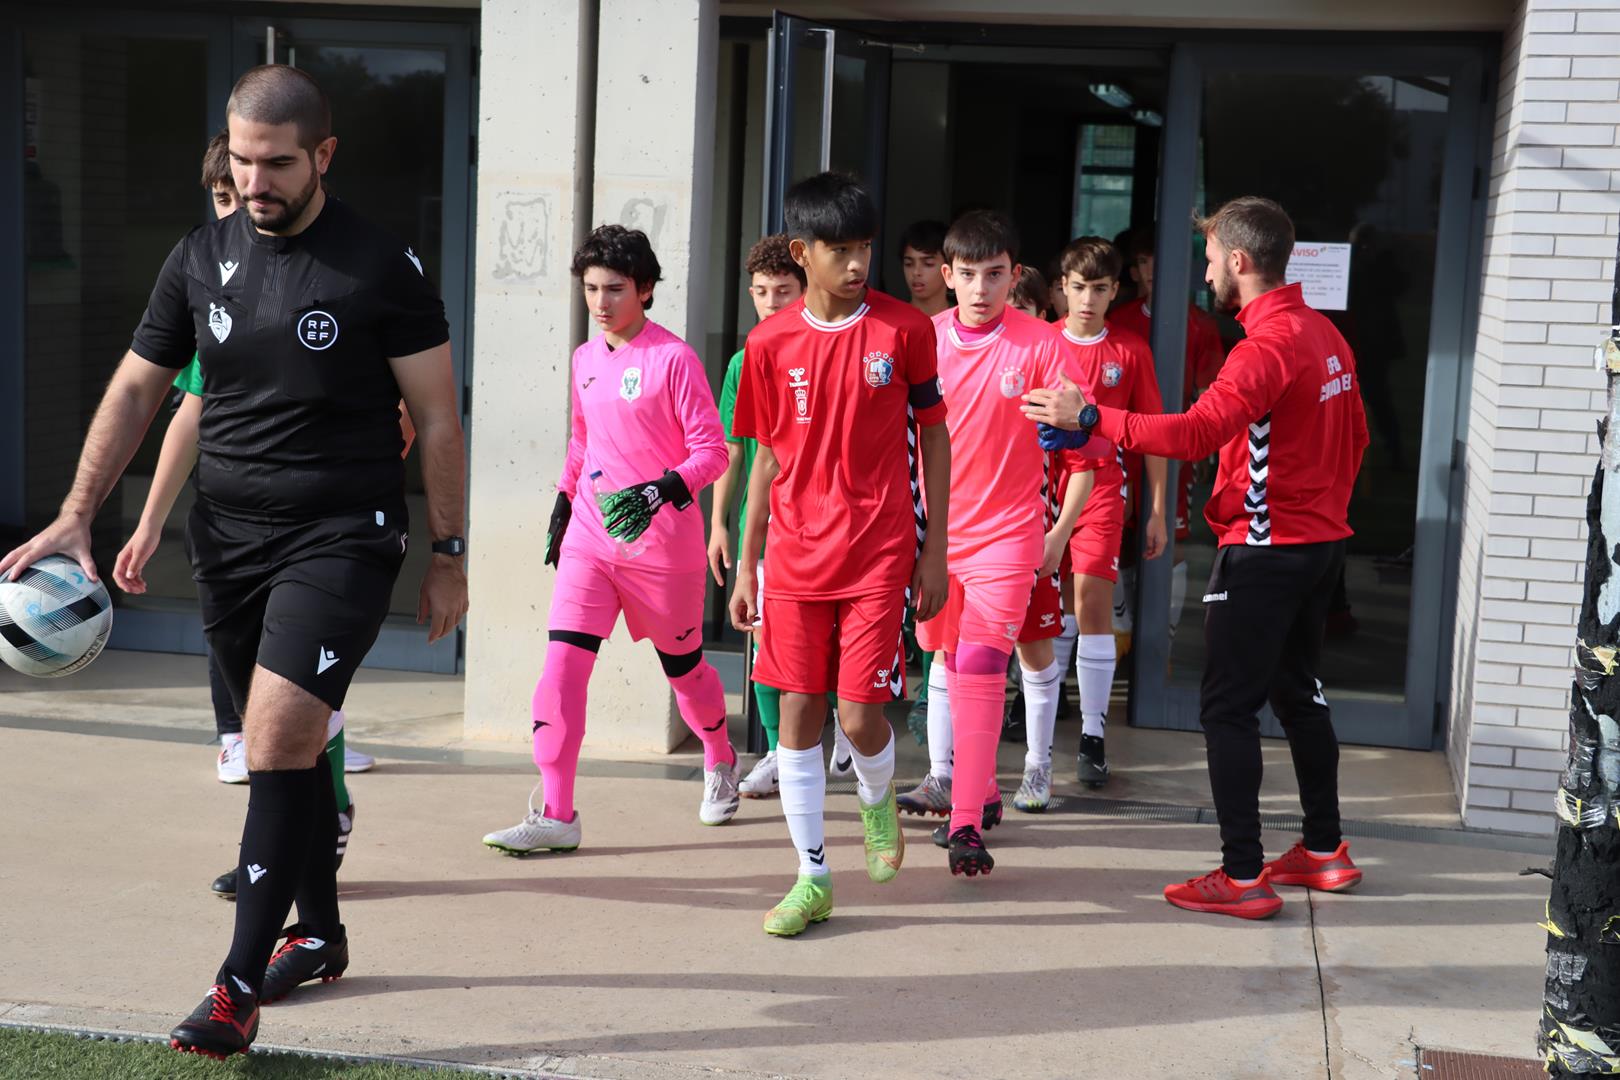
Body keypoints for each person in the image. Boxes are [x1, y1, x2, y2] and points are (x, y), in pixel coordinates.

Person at [2, 65, 469, 1056]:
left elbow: (437, 417)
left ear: (323, 156)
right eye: (243, 161)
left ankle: (235, 987)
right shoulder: (199, 256)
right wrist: (79, 515)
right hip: (226, 540)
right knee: (288, 748)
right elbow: (142, 390)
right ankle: (321, 933)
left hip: (341, 536)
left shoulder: (380, 266)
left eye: (278, 164)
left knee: (275, 740)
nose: (256, 182)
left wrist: (449, 552)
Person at [1023, 196, 1369, 920]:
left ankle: (1242, 875)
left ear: (1240, 261)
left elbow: (1193, 433)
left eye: (1210, 261)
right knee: (1298, 693)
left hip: (1266, 550)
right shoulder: (1324, 334)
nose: (1205, 274)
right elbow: (1357, 437)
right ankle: (1324, 850)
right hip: (1319, 546)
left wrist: (1088, 416)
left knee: (1226, 710)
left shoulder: (1265, 346)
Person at [111, 131, 380, 900]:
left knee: (291, 710)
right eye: (223, 198)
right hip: (235, 533)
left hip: (320, 534)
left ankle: (310, 847)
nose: (238, 212)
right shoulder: (214, 300)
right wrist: (149, 522)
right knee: (265, 724)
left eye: (246, 194)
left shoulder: (338, 279)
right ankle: (300, 853)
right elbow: (185, 418)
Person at [729, 172, 950, 936]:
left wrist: (935, 549)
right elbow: (764, 458)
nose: (858, 264)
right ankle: (813, 876)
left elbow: (935, 437)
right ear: (802, 252)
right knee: (796, 711)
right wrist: (747, 563)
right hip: (793, 557)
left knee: (857, 717)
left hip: (879, 552)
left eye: (865, 248)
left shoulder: (904, 330)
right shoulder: (767, 343)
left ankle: (877, 796)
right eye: (840, 250)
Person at [483, 225, 733, 854]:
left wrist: (660, 490)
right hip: (592, 543)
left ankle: (719, 756)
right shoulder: (584, 359)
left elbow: (713, 451)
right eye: (591, 288)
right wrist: (564, 500)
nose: (600, 301)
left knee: (685, 674)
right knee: (560, 671)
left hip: (663, 551)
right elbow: (582, 441)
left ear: (644, 289)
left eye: (614, 289)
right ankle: (557, 814)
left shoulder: (673, 359)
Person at [898, 210, 1094, 870]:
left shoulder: (1041, 344)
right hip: (936, 542)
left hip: (1008, 536)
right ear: (947, 276)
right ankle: (981, 793)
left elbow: (1082, 431)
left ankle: (965, 827)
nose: (981, 289)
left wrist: (1071, 423)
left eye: (995, 274)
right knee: (951, 663)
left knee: (983, 666)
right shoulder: (922, 340)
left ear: (1015, 276)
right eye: (968, 275)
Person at [709, 235, 854, 798]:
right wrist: (719, 523)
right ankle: (777, 750)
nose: (771, 302)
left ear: (805, 287)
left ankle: (842, 724)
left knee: (833, 642)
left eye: (783, 291)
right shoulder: (743, 361)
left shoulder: (829, 348)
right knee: (766, 646)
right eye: (762, 292)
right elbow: (734, 450)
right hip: (765, 526)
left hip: (831, 524)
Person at [1052, 237, 1167, 788]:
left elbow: (1154, 433)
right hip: (1041, 489)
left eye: (1099, 288)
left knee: (1092, 603)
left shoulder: (1131, 350)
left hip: (1103, 489)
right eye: (1078, 287)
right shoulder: (1039, 341)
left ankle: (1093, 735)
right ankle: (1042, 707)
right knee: (1052, 607)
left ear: (1115, 290)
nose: (1087, 299)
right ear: (1062, 287)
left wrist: (1158, 509)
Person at [1107, 225, 1227, 652]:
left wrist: (1207, 448)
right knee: (1116, 537)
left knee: (1170, 542)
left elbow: (1209, 391)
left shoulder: (1199, 324)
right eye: (1143, 261)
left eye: (1159, 260)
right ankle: (1122, 631)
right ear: (1133, 271)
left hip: (1173, 445)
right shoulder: (1118, 321)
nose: (1151, 269)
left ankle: (1162, 650)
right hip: (1120, 443)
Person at [899, 219, 950, 317]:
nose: (916, 272)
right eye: (908, 264)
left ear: (948, 269)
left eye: (928, 264)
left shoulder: (963, 320)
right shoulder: (892, 320)